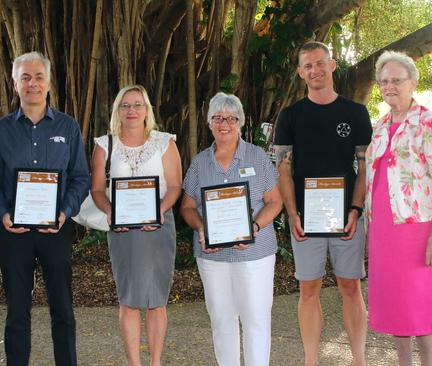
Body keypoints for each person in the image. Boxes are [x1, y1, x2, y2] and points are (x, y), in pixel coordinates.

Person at [0, 51, 89, 366]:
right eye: (25, 77)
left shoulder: (68, 127)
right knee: (16, 311)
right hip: (15, 232)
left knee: (63, 310)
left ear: (49, 82)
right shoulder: (0, 130)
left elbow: (80, 178)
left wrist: (65, 212)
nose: (32, 83)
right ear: (15, 83)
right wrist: (2, 214)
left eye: (38, 77)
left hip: (56, 230)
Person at [273, 41, 372, 366]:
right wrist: (292, 214)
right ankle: (311, 360)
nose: (314, 70)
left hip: (348, 219)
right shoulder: (290, 116)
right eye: (307, 66)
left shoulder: (355, 113)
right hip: (306, 219)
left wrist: (356, 210)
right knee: (309, 290)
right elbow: (283, 169)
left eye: (320, 63)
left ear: (332, 65)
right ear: (301, 73)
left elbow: (363, 168)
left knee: (350, 287)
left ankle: (359, 359)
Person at [365, 50, 432, 366]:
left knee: (421, 304)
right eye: (384, 81)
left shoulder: (428, 122)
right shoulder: (380, 126)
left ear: (413, 82)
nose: (390, 86)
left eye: (397, 80)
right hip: (384, 231)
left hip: (417, 230)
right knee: (395, 305)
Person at [180, 92, 283, 366]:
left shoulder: (257, 156)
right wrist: (202, 228)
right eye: (217, 118)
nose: (224, 123)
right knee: (221, 319)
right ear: (209, 122)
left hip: (255, 255)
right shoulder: (200, 162)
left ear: (240, 122)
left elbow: (275, 201)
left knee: (256, 320)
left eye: (230, 118)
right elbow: (187, 207)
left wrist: (254, 225)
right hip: (212, 256)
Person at [90, 84, 182, 366]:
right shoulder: (105, 145)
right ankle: (135, 363)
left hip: (158, 228)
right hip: (122, 231)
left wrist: (158, 212)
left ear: (147, 110)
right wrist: (110, 212)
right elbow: (97, 190)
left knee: (157, 299)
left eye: (138, 105)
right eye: (126, 105)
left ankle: (155, 362)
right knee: (128, 298)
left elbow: (175, 186)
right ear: (118, 110)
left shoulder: (164, 142)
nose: (132, 110)